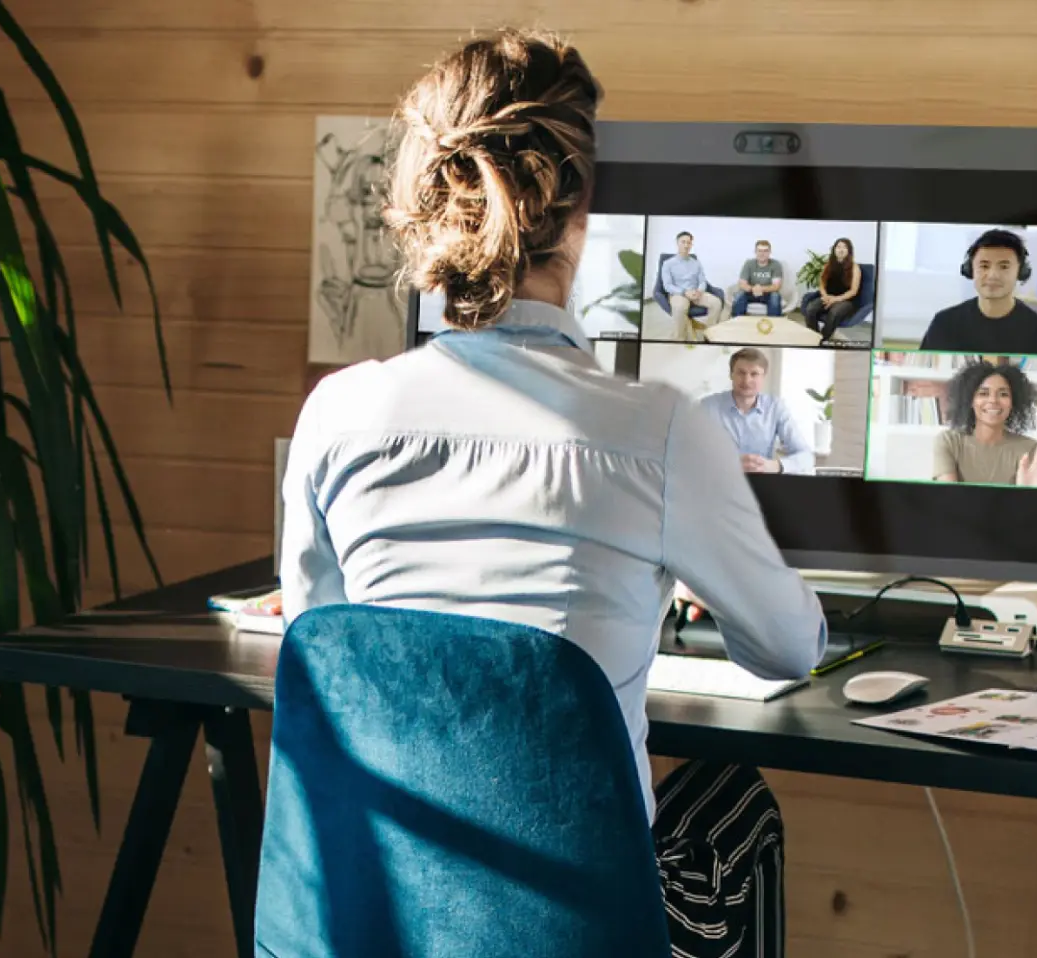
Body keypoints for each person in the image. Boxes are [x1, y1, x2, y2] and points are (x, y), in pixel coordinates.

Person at [279, 28, 826, 957]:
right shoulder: (654, 430)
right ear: (578, 216)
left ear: (421, 219)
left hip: (386, 917)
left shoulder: (337, 416)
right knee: (733, 798)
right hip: (579, 930)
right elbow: (786, 650)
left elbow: (323, 648)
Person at [920, 229, 1037, 354]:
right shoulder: (944, 324)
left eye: (1004, 266)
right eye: (984, 266)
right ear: (971, 270)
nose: (993, 275)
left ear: (1020, 272)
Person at [934, 359, 1037, 486]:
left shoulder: (1030, 449)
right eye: (983, 393)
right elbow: (949, 500)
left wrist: (1029, 493)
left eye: (1003, 394)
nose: (993, 400)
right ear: (970, 401)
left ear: (1013, 402)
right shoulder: (949, 442)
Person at [700, 348, 815, 474]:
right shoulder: (707, 406)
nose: (747, 380)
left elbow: (806, 457)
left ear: (763, 377)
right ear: (731, 374)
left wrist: (776, 466)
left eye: (754, 374)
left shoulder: (775, 407)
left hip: (763, 485)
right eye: (741, 373)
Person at [660, 231, 723, 339]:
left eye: (688, 243)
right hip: (678, 293)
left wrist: (699, 291)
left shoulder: (696, 263)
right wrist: (684, 292)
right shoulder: (668, 264)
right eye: (683, 242)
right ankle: (680, 338)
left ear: (691, 245)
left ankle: (709, 334)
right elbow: (667, 285)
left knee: (716, 303)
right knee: (680, 307)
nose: (686, 245)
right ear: (677, 243)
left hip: (696, 292)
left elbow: (702, 281)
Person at [801, 237, 860, 341]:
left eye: (844, 247)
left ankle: (824, 339)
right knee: (811, 309)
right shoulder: (828, 265)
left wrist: (835, 300)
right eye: (838, 247)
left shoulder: (855, 268)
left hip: (845, 300)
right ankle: (815, 336)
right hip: (828, 297)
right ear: (834, 249)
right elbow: (822, 284)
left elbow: (853, 291)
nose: (841, 250)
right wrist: (825, 296)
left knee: (834, 312)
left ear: (849, 251)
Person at [730, 240, 783, 317]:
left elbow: (776, 286)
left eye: (765, 251)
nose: (762, 254)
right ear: (755, 252)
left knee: (775, 297)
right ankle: (738, 322)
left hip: (768, 293)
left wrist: (761, 289)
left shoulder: (776, 264)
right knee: (739, 295)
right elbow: (742, 283)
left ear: (769, 252)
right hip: (751, 292)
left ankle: (772, 324)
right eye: (760, 251)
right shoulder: (749, 263)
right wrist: (753, 289)